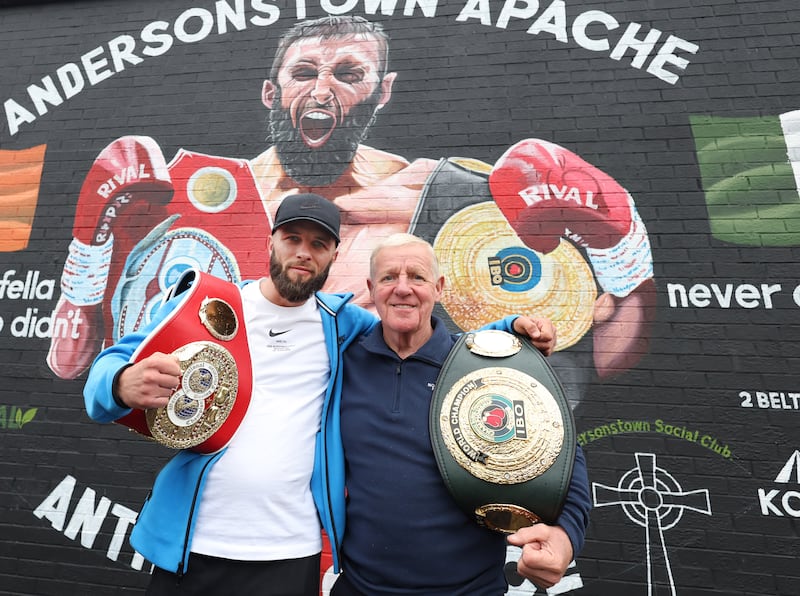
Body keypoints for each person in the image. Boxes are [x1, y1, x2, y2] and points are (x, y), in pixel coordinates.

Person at [49, 16, 654, 390]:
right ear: (271, 90)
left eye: (347, 73)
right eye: (304, 71)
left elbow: (603, 356)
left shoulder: (446, 193)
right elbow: (73, 362)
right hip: (238, 431)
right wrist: (89, 247)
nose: (322, 88)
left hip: (375, 433)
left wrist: (624, 245)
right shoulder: (183, 188)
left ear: (381, 91)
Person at [82, 194, 557, 594]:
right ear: (271, 242)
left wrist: (508, 332)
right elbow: (103, 376)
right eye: (293, 239)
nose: (303, 253)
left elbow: (421, 331)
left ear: (333, 255)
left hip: (291, 551)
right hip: (192, 542)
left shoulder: (343, 325)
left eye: (318, 244)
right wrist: (122, 384)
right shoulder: (207, 304)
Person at [331, 233, 591, 595]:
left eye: (417, 277)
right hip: (360, 588)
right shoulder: (341, 363)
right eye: (389, 277)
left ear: (438, 288)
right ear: (372, 289)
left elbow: (562, 452)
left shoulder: (480, 366)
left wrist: (565, 534)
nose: (402, 288)